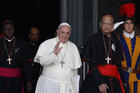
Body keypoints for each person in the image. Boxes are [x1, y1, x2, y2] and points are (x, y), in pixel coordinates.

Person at [80, 14, 125, 93]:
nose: (107, 26)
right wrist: (100, 83)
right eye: (104, 23)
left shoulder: (116, 39)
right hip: (96, 80)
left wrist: (124, 81)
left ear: (112, 26)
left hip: (114, 81)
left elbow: (118, 64)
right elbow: (91, 64)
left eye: (109, 24)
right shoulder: (93, 39)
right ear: (100, 24)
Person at [34, 22, 82, 93]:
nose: (65, 35)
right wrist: (54, 54)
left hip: (67, 86)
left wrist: (75, 89)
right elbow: (42, 62)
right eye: (62, 32)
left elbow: (75, 71)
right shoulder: (47, 43)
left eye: (67, 33)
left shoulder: (73, 47)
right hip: (49, 85)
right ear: (57, 32)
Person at [0, 20, 32, 93]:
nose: (9, 31)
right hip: (1, 80)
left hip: (16, 81)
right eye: (6, 29)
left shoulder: (22, 44)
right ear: (3, 30)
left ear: (14, 29)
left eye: (11, 28)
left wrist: (28, 81)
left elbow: (27, 65)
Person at [115, 3, 140, 93]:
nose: (129, 25)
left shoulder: (139, 41)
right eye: (126, 23)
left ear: (134, 25)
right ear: (123, 25)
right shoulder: (117, 39)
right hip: (121, 77)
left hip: (137, 78)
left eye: (131, 23)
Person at [28, 26, 42, 93]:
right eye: (32, 34)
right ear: (29, 35)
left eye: (36, 35)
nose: (34, 37)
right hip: (27, 77)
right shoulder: (24, 46)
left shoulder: (42, 47)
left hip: (38, 77)